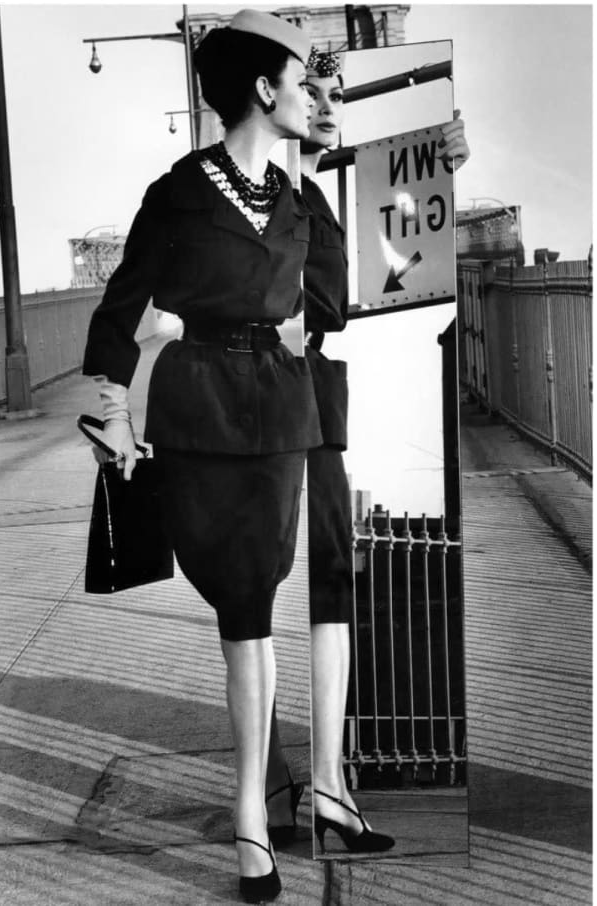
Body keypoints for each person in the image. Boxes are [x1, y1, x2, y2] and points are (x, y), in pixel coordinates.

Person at [82, 11, 319, 903]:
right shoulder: (179, 191)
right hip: (203, 414)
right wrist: (113, 407)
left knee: (255, 607)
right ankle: (253, 815)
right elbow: (120, 306)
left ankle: (260, 802)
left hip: (281, 418)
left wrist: (440, 150)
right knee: (242, 610)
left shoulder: (300, 199)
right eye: (301, 80)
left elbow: (352, 275)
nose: (311, 95)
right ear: (264, 90)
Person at [265, 47, 470, 855]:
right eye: (309, 91)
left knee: (329, 582)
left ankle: (325, 783)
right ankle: (297, 786)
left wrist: (446, 171)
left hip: (310, 403)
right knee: (275, 593)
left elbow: (393, 255)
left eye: (335, 93)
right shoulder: (264, 192)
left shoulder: (312, 191)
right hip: (269, 407)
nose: (324, 106)